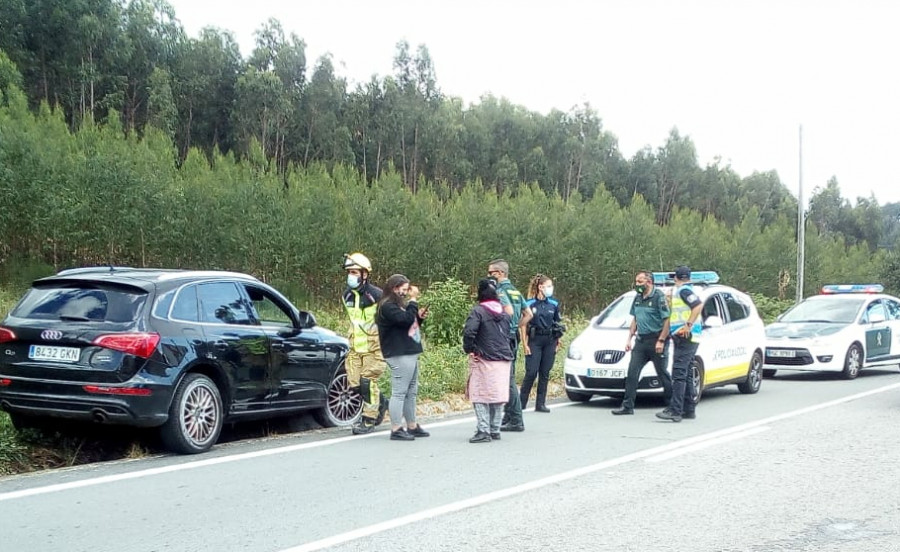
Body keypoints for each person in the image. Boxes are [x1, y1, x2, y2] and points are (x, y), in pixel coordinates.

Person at [375, 274, 430, 441]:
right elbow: (405, 320)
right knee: (399, 391)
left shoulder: (399, 305)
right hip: (398, 353)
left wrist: (418, 318)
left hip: (409, 350)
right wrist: (414, 301)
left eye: (408, 290)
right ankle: (396, 427)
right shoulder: (387, 306)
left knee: (411, 391)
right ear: (394, 288)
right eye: (404, 289)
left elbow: (409, 324)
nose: (406, 293)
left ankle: (411, 425)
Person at [612, 270, 674, 415]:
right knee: (632, 372)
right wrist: (629, 338)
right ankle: (627, 406)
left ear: (649, 282)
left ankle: (672, 405)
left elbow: (667, 320)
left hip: (656, 340)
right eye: (636, 281)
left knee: (662, 373)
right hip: (641, 341)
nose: (637, 284)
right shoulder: (638, 297)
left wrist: (661, 340)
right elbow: (635, 318)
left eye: (640, 281)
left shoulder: (659, 297)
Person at [341, 253, 389, 435]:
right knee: (354, 384)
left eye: (354, 272)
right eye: (349, 272)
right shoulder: (346, 296)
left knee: (367, 382)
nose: (351, 276)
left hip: (375, 348)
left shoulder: (377, 295)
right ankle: (381, 403)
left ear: (364, 274)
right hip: (355, 348)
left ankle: (368, 419)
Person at [462, 279, 513, 443]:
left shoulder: (478, 311)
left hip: (484, 358)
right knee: (497, 395)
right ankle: (495, 429)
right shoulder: (504, 313)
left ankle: (483, 430)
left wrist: (469, 349)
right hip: (504, 359)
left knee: (480, 394)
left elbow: (470, 332)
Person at [488, 259, 532, 432]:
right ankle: (508, 415)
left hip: (504, 336)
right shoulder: (515, 291)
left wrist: (508, 327)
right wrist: (517, 326)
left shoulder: (500, 291)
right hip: (513, 335)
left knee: (507, 379)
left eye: (491, 273)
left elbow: (507, 311)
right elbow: (528, 314)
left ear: (500, 273)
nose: (489, 276)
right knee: (507, 377)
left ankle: (516, 418)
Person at [656, 266, 703, 422]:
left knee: (679, 373)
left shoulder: (684, 291)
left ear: (676, 278)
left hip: (685, 336)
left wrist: (687, 325)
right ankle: (689, 409)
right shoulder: (686, 290)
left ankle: (675, 410)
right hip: (688, 336)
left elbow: (697, 305)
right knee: (687, 372)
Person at [519, 274, 563, 413]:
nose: (550, 288)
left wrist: (557, 341)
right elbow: (523, 325)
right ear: (540, 287)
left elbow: (557, 323)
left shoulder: (554, 304)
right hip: (534, 340)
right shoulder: (529, 304)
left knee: (544, 372)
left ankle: (540, 403)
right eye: (548, 286)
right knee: (531, 372)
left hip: (549, 340)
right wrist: (524, 344)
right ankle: (521, 403)